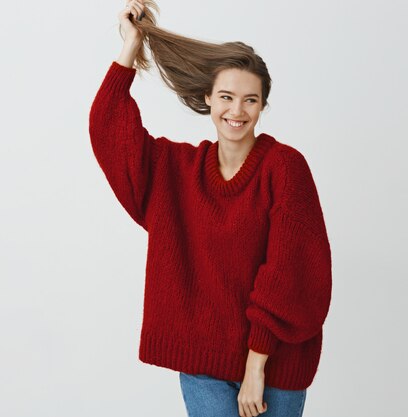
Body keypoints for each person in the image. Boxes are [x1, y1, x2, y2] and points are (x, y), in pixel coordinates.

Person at [88, 1, 333, 416]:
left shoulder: (285, 168)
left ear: (262, 106)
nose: (236, 111)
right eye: (226, 97)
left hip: (274, 365)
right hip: (204, 362)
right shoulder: (175, 171)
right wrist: (132, 45)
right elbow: (109, 128)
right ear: (207, 98)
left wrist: (256, 365)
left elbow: (290, 271)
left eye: (250, 100)